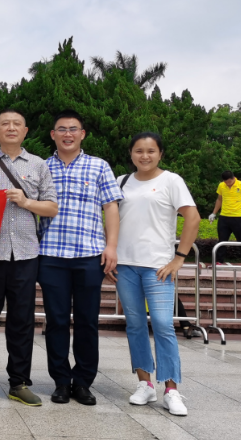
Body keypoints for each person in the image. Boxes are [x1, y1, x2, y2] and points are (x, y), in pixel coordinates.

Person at [0, 108, 58, 406]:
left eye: (16, 124)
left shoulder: (38, 165)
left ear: (25, 131)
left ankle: (19, 382)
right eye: (4, 124)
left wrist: (26, 201)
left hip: (25, 254)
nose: (11, 128)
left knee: (21, 321)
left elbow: (51, 207)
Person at [111, 132, 199, 416]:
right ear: (131, 153)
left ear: (160, 153)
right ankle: (145, 384)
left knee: (162, 325)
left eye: (151, 151)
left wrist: (179, 258)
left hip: (158, 267)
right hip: (125, 265)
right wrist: (110, 255)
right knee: (135, 325)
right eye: (139, 150)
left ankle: (171, 389)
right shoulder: (121, 181)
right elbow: (111, 219)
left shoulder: (171, 181)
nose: (144, 156)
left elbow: (193, 218)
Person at [37, 110, 122, 405]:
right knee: (56, 321)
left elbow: (111, 207)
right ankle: (61, 381)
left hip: (89, 255)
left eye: (73, 129)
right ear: (53, 134)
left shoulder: (99, 166)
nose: (68, 134)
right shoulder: (42, 167)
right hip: (51, 255)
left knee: (87, 321)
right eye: (62, 129)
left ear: (82, 134)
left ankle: (83, 381)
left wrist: (111, 246)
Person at [209, 171, 241, 265]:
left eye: (229, 182)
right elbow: (219, 199)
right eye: (226, 182)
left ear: (233, 178)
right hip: (224, 217)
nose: (227, 184)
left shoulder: (240, 185)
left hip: (238, 217)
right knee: (222, 240)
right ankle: (219, 261)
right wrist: (214, 213)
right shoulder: (221, 185)